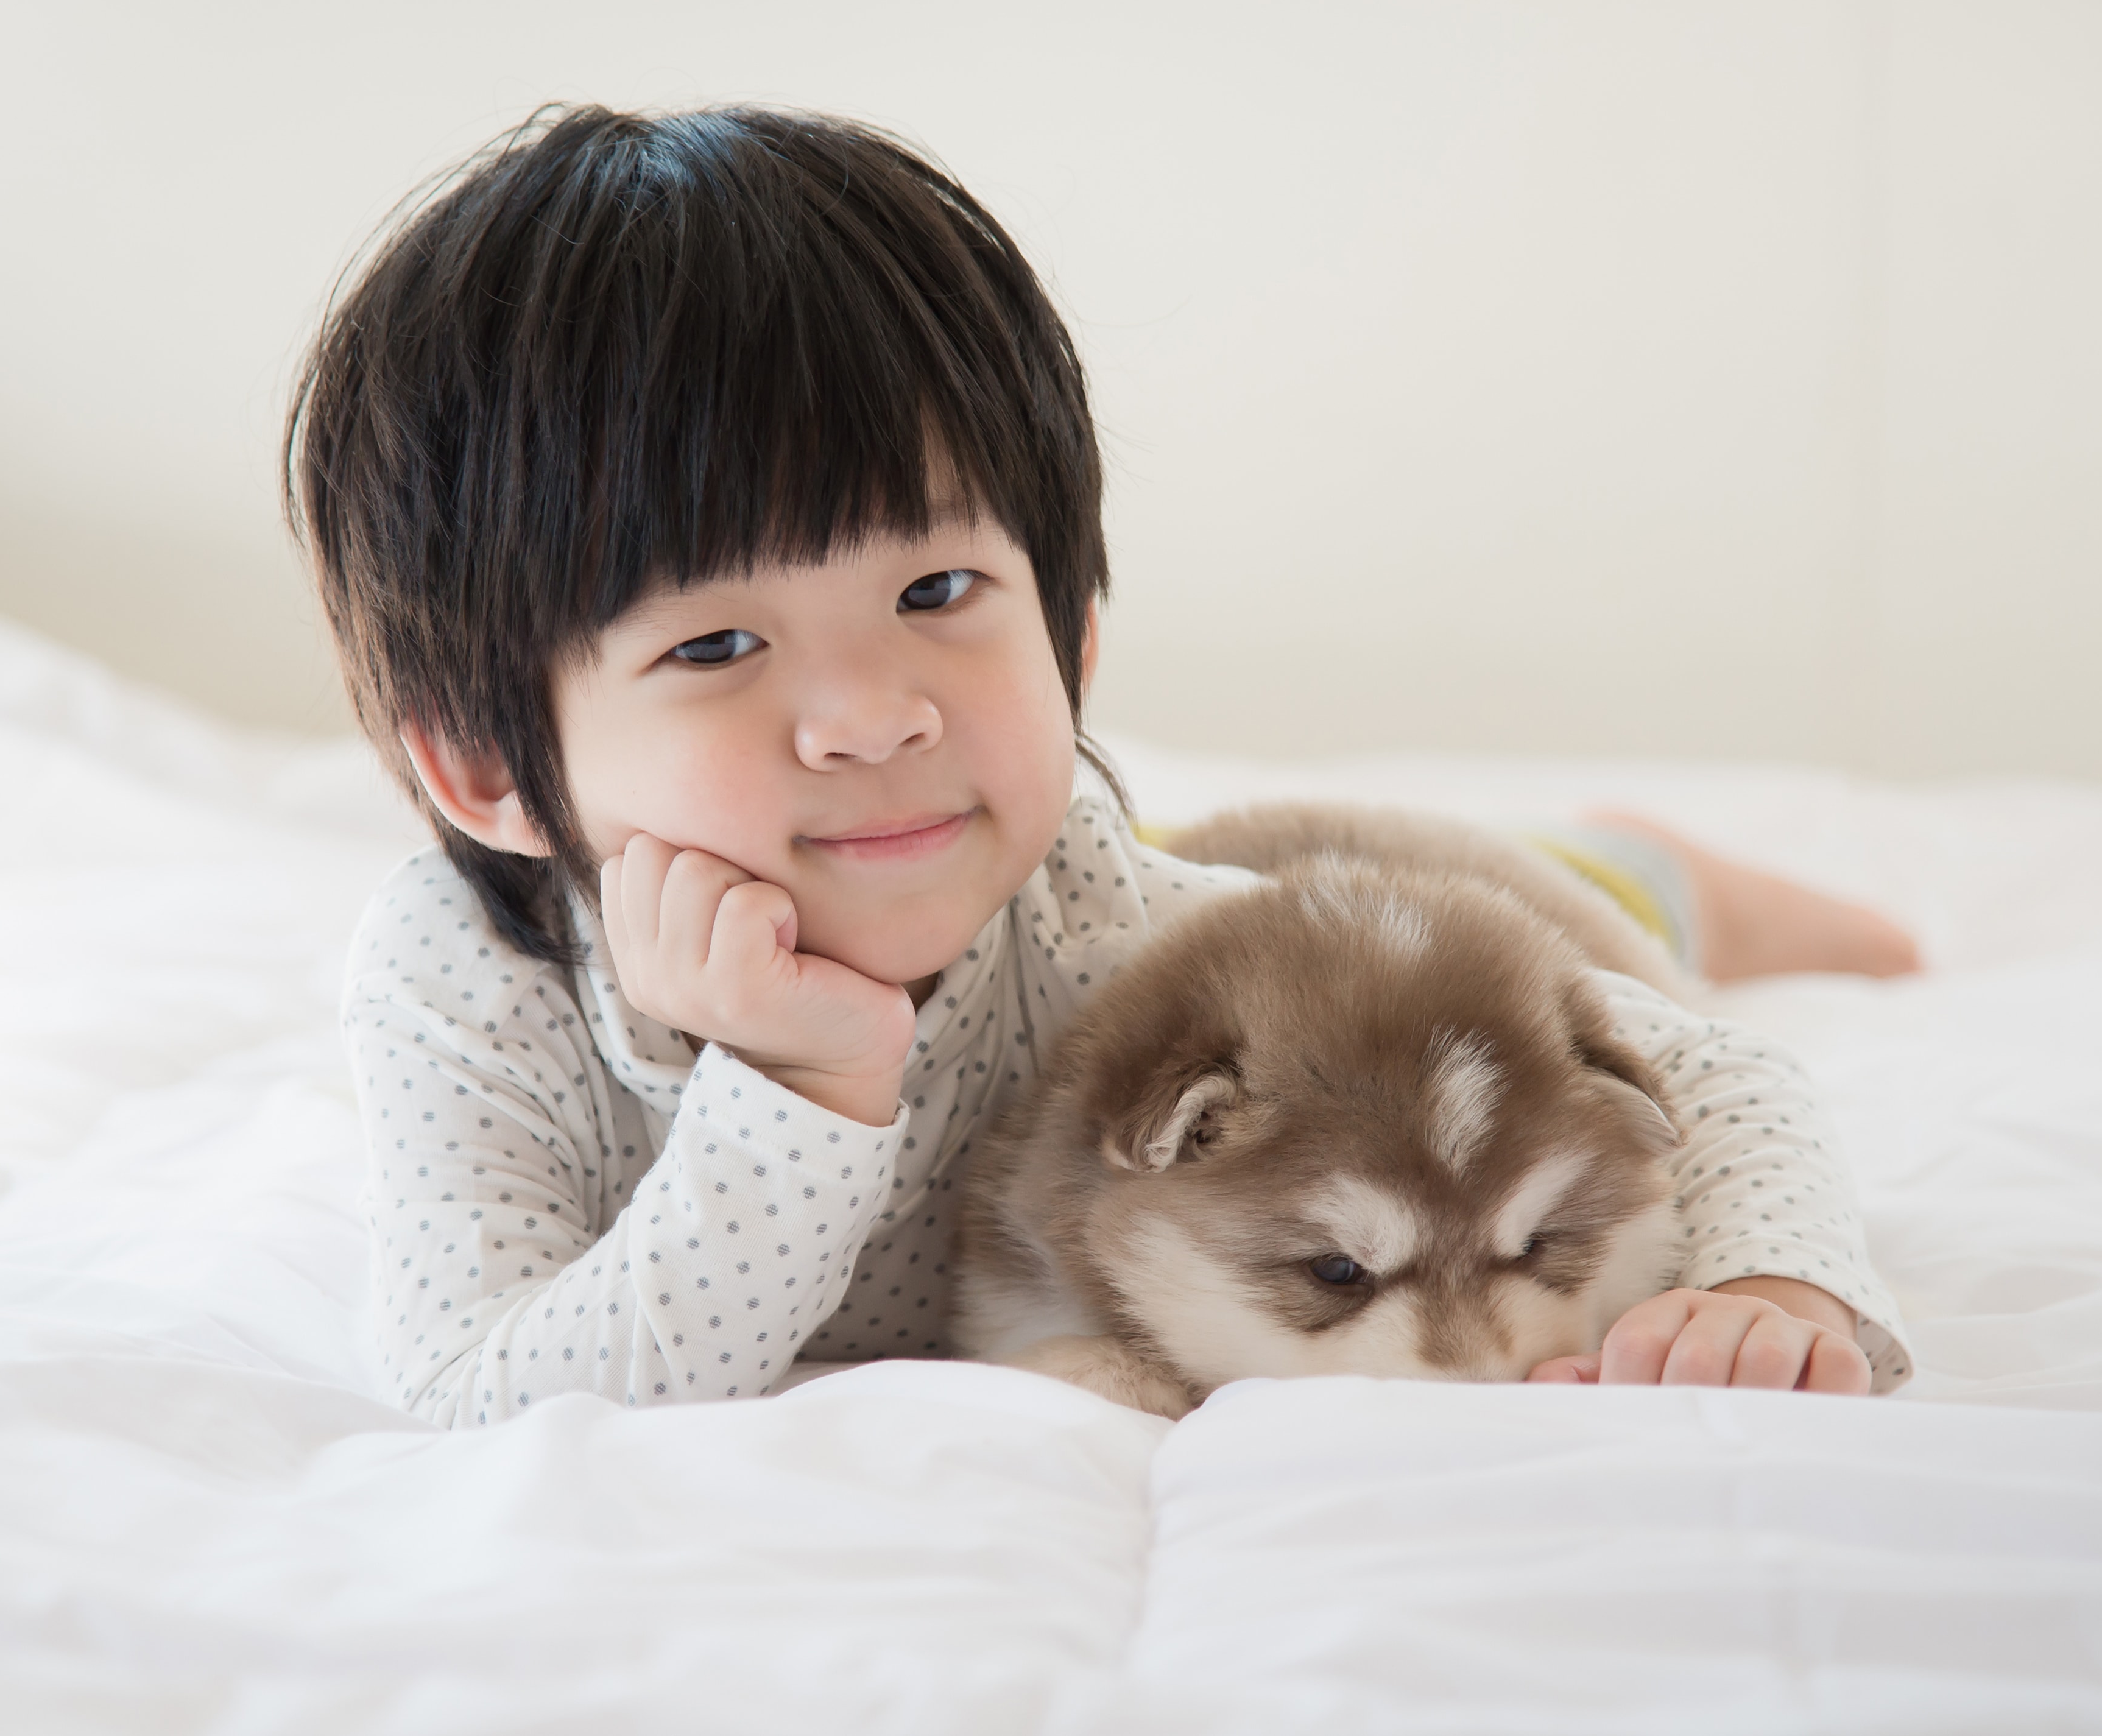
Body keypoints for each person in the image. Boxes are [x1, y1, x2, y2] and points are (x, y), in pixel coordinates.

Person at [285, 104, 1920, 1428]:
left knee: (1518, 921)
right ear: (494, 765)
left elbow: (1716, 1077)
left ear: (1068, 642)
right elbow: (475, 1391)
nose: (875, 713)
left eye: (936, 594)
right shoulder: (466, 990)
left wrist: (1777, 1283)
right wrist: (797, 1089)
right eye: (714, 646)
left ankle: (1647, 868)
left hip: (1228, 869)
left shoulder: (1095, 922)